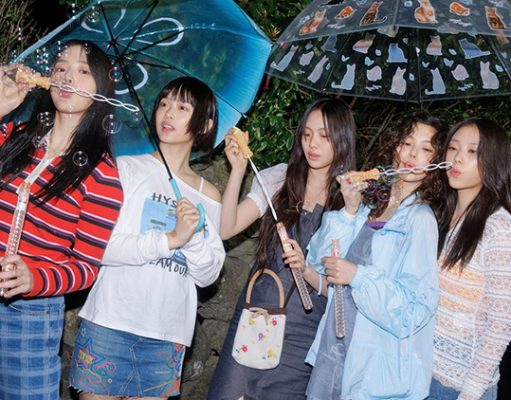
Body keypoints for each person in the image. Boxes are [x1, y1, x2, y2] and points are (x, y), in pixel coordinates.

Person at [68, 76, 226, 399]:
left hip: (167, 335)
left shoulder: (208, 195)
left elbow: (208, 274)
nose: (168, 113)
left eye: (182, 107)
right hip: (109, 322)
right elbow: (101, 247)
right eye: (164, 103)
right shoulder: (125, 169)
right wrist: (170, 239)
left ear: (205, 124)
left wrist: (192, 238)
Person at [208, 98, 357, 400]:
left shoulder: (349, 201)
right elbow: (226, 229)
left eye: (324, 136)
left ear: (342, 140)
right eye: (307, 134)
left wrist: (308, 270)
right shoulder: (279, 178)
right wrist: (237, 171)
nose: (313, 144)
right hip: (256, 315)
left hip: (303, 333)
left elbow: (341, 290)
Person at [0, 40, 123, 400]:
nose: (68, 77)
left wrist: (34, 278)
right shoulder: (13, 137)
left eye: (83, 71)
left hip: (29, 315)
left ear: (102, 89)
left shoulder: (103, 176)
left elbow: (85, 268)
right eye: (60, 68)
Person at [293, 111, 446, 399]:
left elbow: (416, 309)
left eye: (426, 149)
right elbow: (318, 262)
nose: (412, 154)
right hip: (333, 354)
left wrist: (358, 276)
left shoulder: (420, 220)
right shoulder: (370, 207)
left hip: (374, 376)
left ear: (436, 162)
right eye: (407, 143)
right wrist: (349, 211)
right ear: (394, 145)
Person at [429, 118, 511, 400]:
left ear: (494, 160)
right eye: (453, 148)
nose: (458, 158)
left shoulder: (498, 228)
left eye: (472, 151)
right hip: (422, 374)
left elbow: (501, 323)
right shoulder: (442, 217)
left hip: (462, 386)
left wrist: (471, 392)